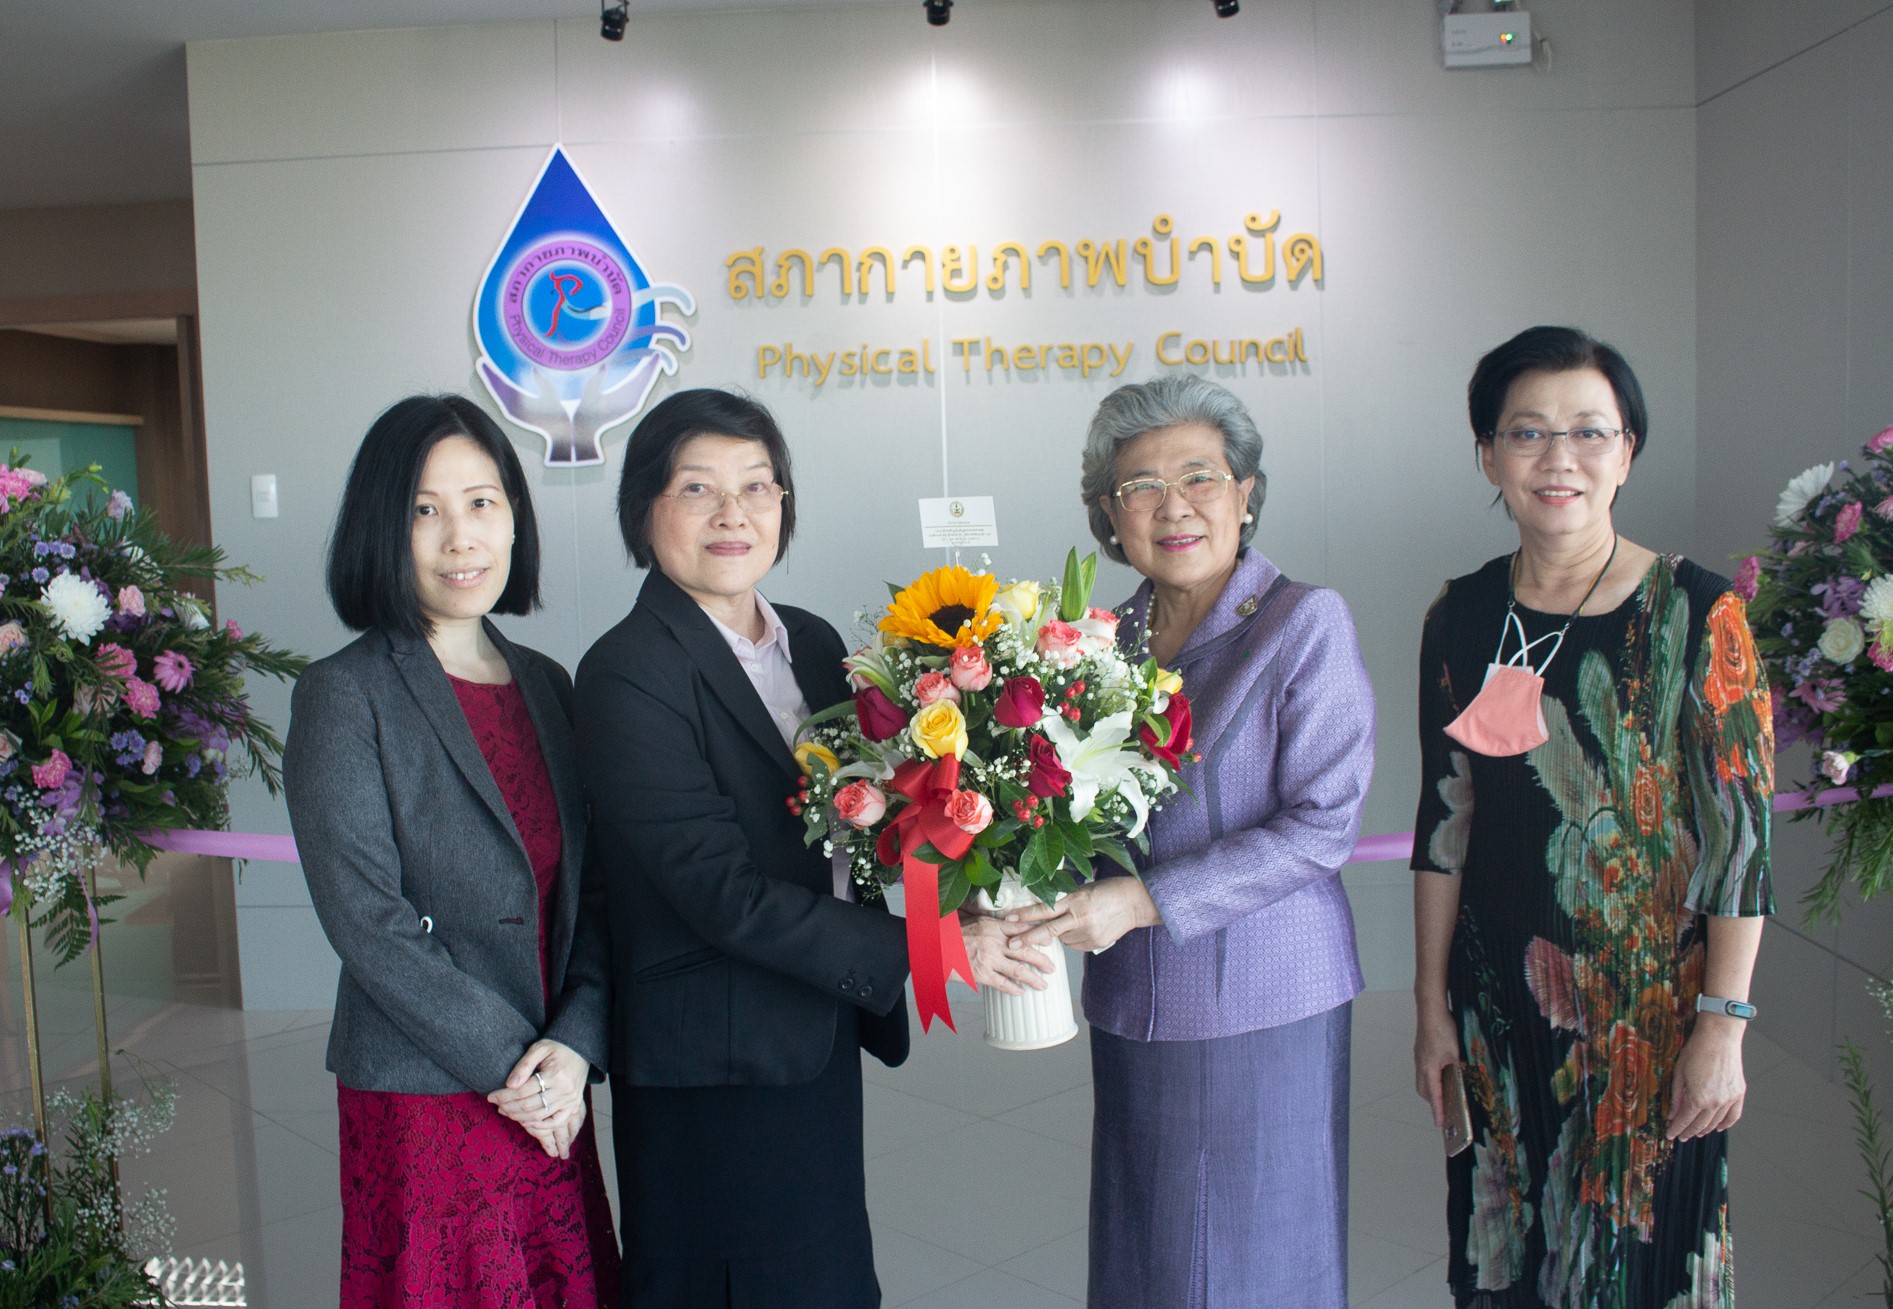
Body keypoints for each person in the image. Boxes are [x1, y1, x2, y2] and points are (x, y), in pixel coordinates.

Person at [575, 387, 1050, 1309]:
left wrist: (972, 870)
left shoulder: (813, 642)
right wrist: (938, 950)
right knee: (733, 1284)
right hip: (713, 1055)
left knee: (821, 1274)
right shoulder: (628, 670)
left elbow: (864, 825)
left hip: (814, 1016)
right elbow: (720, 893)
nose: (733, 513)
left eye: (757, 485)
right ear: (645, 508)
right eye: (697, 488)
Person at [1411, 326, 1774, 1306]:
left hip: (1648, 1027)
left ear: (1627, 451)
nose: (1558, 457)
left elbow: (1741, 848)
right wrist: (1431, 1007)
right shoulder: (1460, 613)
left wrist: (1723, 1028)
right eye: (1527, 433)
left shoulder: (1701, 614)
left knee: (1638, 1272)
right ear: (1488, 454)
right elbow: (1443, 824)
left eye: (1588, 431)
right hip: (1497, 1018)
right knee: (1505, 1269)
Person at [1015, 374, 1376, 1308]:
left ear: (1246, 492)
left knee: (1256, 1252)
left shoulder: (1301, 623)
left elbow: (1321, 825)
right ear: (1107, 512)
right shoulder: (1101, 640)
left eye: (1200, 477)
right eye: (1140, 485)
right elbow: (1070, 806)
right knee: (1152, 1247)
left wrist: (1141, 900)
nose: (1173, 506)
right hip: (1132, 993)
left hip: (1262, 994)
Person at [284, 394, 619, 1307]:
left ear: (515, 512)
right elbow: (369, 923)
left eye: (483, 502)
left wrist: (575, 1048)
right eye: (424, 510)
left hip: (551, 1080)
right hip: (429, 1094)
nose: (460, 536)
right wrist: (521, 1072)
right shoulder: (342, 696)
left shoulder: (550, 685)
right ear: (380, 530)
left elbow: (594, 896)